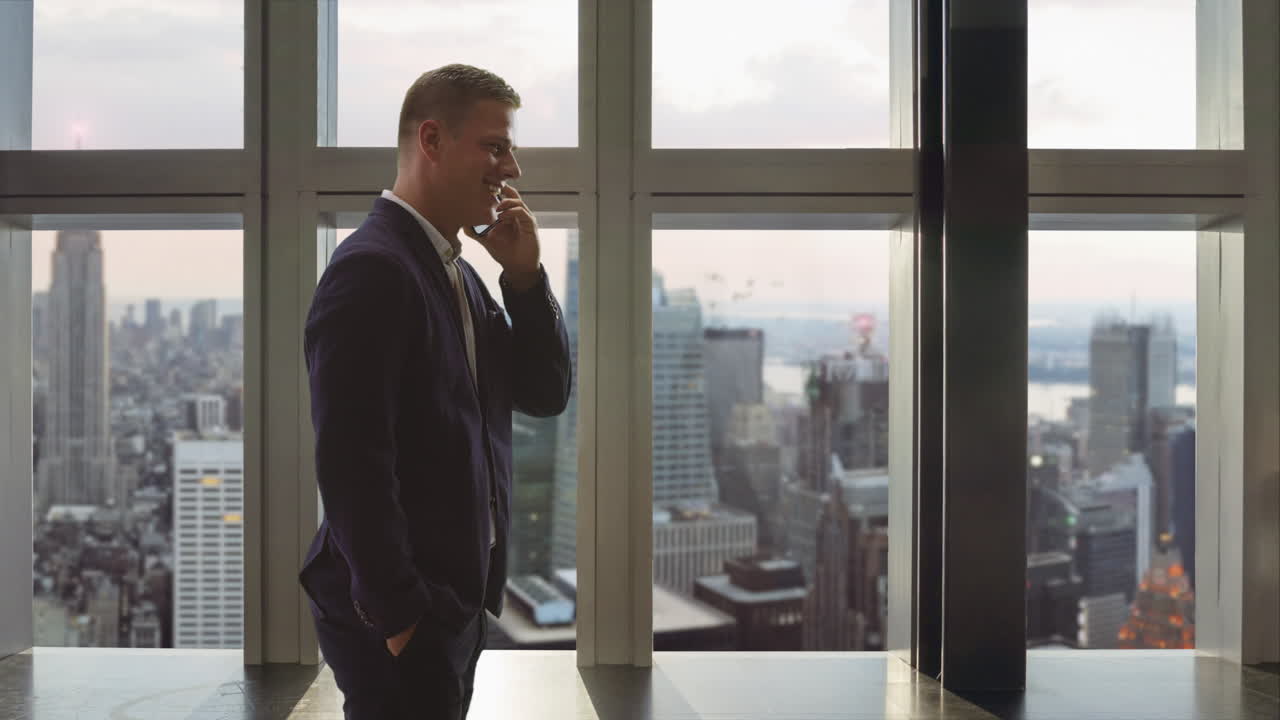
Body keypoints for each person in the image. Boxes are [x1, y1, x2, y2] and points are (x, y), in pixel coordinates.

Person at [298, 64, 572, 720]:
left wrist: (526, 277)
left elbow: (544, 392)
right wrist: (401, 618)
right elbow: (352, 463)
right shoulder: (372, 271)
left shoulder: (460, 278)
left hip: (449, 608)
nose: (512, 170)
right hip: (398, 619)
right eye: (495, 146)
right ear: (431, 140)